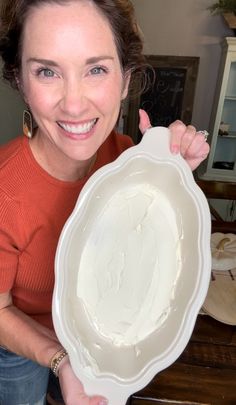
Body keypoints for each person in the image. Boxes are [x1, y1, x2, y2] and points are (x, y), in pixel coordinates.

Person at [0, 0, 210, 404]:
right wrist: (60, 359)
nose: (74, 103)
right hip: (18, 342)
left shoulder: (126, 158)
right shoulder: (5, 192)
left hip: (103, 338)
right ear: (20, 80)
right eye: (47, 71)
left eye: (96, 69)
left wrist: (173, 176)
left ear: (126, 79)